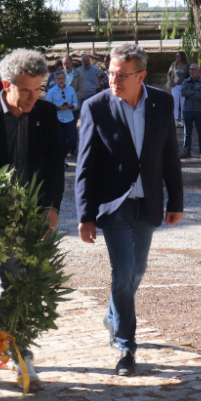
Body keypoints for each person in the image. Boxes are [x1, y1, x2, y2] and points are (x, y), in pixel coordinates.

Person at [76, 44, 183, 377]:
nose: (113, 80)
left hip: (149, 203)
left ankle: (112, 314)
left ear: (141, 76)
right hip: (114, 205)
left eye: (121, 75)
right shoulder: (96, 107)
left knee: (137, 272)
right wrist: (85, 214)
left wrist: (176, 201)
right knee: (122, 273)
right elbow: (85, 165)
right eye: (110, 73)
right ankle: (126, 347)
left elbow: (169, 156)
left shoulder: (162, 103)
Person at [0, 50, 64, 384]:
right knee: (15, 282)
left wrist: (52, 207)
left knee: (13, 284)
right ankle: (21, 355)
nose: (33, 97)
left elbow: (55, 163)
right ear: (6, 85)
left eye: (38, 89)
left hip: (35, 216)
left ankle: (0, 347)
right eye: (26, 90)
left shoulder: (46, 113)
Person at [45, 69, 78, 162]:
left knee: (72, 140)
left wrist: (70, 106)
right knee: (61, 141)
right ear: (55, 79)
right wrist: (58, 108)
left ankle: (61, 157)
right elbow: (48, 106)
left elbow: (75, 103)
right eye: (59, 79)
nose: (61, 80)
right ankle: (61, 160)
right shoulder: (51, 91)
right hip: (58, 119)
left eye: (63, 78)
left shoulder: (71, 90)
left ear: (65, 79)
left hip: (69, 118)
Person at [179, 63, 201, 159]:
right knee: (187, 132)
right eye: (190, 69)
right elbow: (183, 93)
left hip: (199, 110)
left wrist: (190, 94)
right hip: (187, 110)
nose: (191, 71)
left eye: (194, 69)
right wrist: (195, 92)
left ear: (198, 71)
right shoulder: (185, 82)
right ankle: (187, 151)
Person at [167, 51, 189, 126]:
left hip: (183, 87)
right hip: (175, 86)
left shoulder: (186, 66)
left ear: (182, 57)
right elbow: (169, 74)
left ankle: (183, 120)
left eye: (178, 56)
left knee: (183, 103)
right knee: (175, 103)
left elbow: (189, 76)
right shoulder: (173, 65)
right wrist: (170, 82)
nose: (176, 57)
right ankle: (175, 119)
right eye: (176, 56)